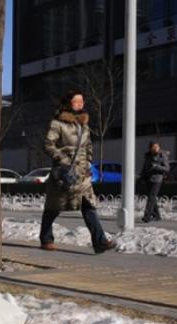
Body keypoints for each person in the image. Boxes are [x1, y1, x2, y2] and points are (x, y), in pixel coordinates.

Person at [40, 90, 115, 254]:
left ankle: (100, 242)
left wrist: (88, 162)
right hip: (65, 172)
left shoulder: (83, 124)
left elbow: (88, 145)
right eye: (76, 101)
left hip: (82, 173)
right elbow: (48, 145)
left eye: (82, 101)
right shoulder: (57, 123)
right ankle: (46, 238)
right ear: (68, 103)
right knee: (54, 206)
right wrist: (63, 159)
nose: (80, 104)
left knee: (88, 205)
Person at [140, 141, 170, 223]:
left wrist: (156, 166)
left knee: (151, 197)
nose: (156, 148)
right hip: (148, 179)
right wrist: (141, 177)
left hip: (157, 179)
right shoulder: (148, 156)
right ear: (150, 148)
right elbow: (145, 167)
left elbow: (167, 168)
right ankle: (157, 215)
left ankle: (147, 216)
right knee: (152, 198)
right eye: (154, 147)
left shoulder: (162, 156)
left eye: (157, 146)